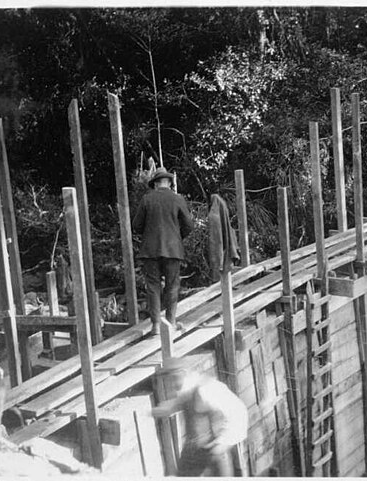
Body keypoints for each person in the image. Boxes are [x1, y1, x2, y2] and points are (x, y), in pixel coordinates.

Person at [149, 358, 248, 476]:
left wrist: (223, 442)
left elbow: (238, 411)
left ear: (184, 373)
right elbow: (178, 403)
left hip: (212, 455)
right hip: (192, 455)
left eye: (174, 378)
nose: (171, 384)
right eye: (168, 379)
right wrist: (154, 411)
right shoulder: (187, 390)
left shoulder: (206, 389)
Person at [132, 167, 194, 336]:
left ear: (156, 184)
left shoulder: (147, 199)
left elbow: (136, 226)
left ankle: (156, 326)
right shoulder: (177, 199)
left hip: (150, 251)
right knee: (172, 286)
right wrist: (176, 237)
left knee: (153, 287)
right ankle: (171, 323)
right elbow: (189, 225)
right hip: (173, 249)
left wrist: (149, 233)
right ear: (168, 183)